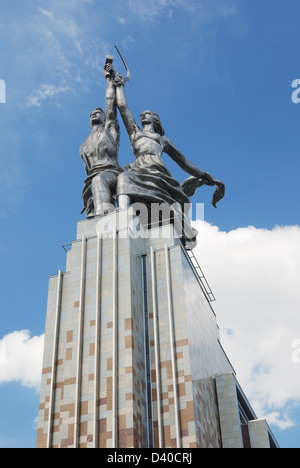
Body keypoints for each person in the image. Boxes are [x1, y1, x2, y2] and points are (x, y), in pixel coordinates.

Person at [114, 74, 224, 249]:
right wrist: (119, 86)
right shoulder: (135, 133)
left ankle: (183, 230)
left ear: (155, 119)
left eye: (148, 114)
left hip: (158, 173)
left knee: (171, 208)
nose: (143, 115)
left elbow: (184, 163)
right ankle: (120, 216)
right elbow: (122, 107)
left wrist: (205, 176)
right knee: (123, 179)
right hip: (138, 169)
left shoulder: (162, 140)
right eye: (142, 114)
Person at [79, 59, 122, 217]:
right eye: (91, 114)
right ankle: (99, 210)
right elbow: (86, 169)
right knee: (95, 182)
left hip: (111, 173)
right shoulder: (83, 145)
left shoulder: (109, 130)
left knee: (98, 180)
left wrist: (109, 79)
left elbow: (110, 102)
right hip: (92, 180)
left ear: (104, 117)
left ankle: (104, 214)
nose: (93, 115)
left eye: (98, 112)